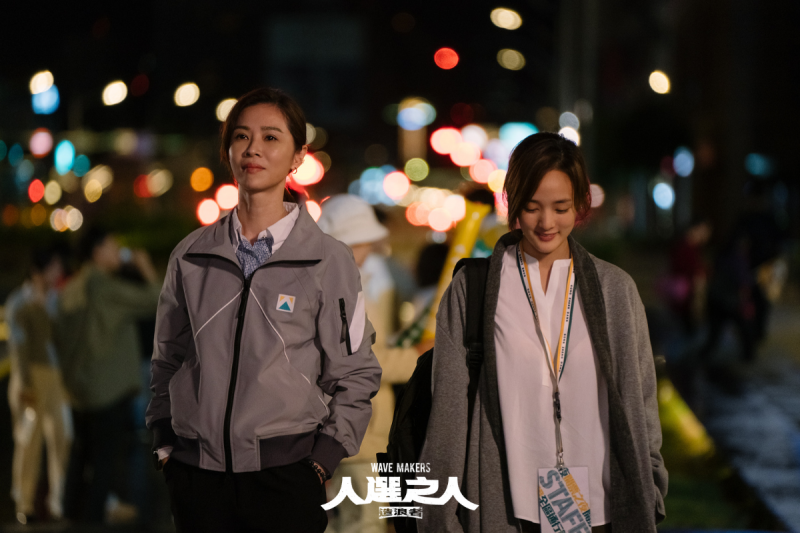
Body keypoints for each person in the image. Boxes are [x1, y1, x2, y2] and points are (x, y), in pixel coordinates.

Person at [146, 88, 382, 533]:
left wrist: (323, 459)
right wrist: (164, 441)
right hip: (197, 477)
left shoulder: (328, 259)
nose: (253, 148)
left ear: (298, 156)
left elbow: (355, 371)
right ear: (227, 151)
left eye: (271, 137)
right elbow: (167, 357)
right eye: (241, 136)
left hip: (287, 476)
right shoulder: (192, 255)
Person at [419, 132, 667, 532]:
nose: (546, 222)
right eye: (532, 207)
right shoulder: (473, 290)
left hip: (600, 509)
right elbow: (448, 412)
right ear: (513, 202)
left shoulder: (615, 289)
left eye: (561, 208)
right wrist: (440, 518)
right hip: (506, 509)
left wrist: (651, 485)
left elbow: (641, 397)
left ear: (580, 204)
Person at [317, 195, 420, 533]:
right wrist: (418, 356)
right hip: (360, 432)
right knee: (366, 523)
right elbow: (360, 361)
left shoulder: (337, 282)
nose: (366, 252)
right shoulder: (341, 288)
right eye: (361, 243)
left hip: (349, 430)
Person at [58, 228, 161, 523]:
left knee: (81, 456)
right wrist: (145, 268)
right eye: (113, 246)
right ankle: (92, 519)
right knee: (106, 461)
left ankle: (71, 516)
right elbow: (156, 299)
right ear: (98, 251)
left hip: (79, 388)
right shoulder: (104, 287)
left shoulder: (73, 287)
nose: (118, 252)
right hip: (108, 388)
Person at [6, 248, 72, 524]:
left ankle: (56, 501)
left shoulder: (57, 299)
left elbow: (63, 339)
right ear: (38, 272)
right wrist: (25, 384)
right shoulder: (20, 302)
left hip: (55, 377)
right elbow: (19, 346)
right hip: (31, 376)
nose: (58, 273)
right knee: (28, 440)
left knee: (62, 436)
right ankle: (24, 501)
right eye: (53, 267)